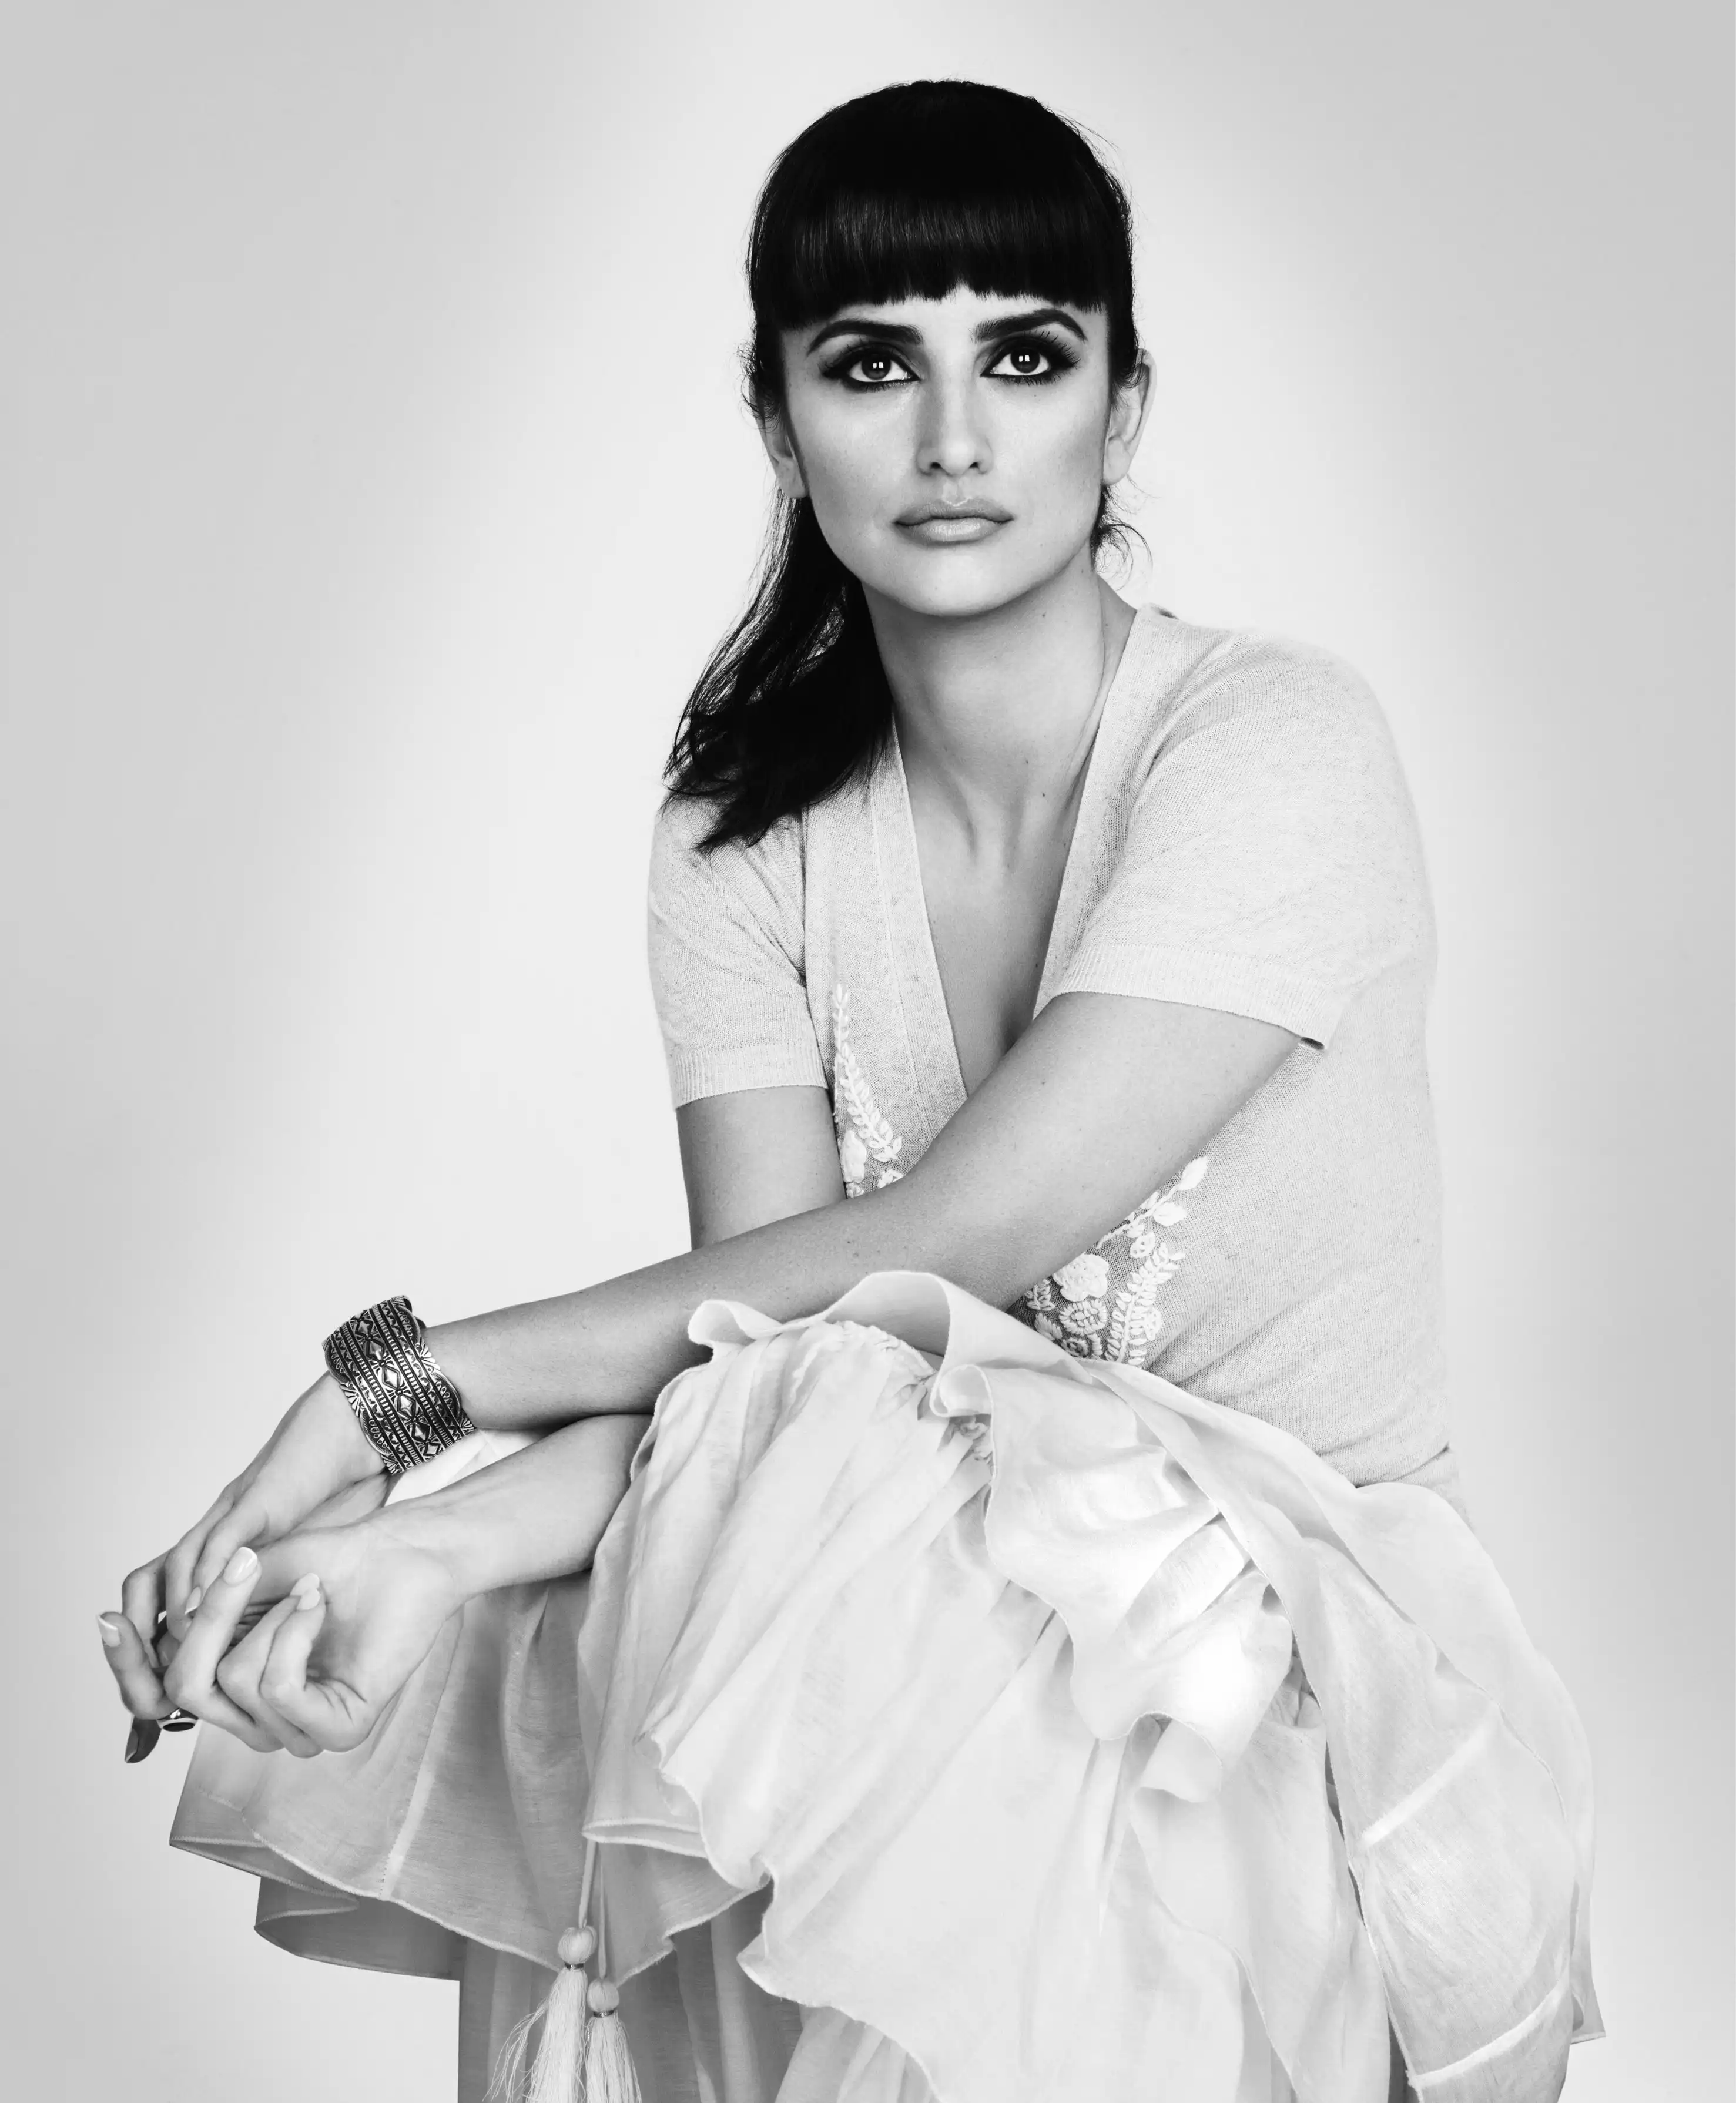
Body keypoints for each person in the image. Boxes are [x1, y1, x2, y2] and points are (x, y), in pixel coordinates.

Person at [99, 79, 1600, 2103]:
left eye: (1028, 359)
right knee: (767, 1475)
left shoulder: (1274, 751)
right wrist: (423, 1547)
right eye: (876, 364)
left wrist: (397, 1390)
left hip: (1297, 1715)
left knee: (836, 1490)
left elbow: (937, 1256)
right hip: (925, 1712)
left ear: (1123, 413)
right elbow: (758, 1386)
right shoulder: (748, 837)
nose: (955, 438)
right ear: (780, 422)